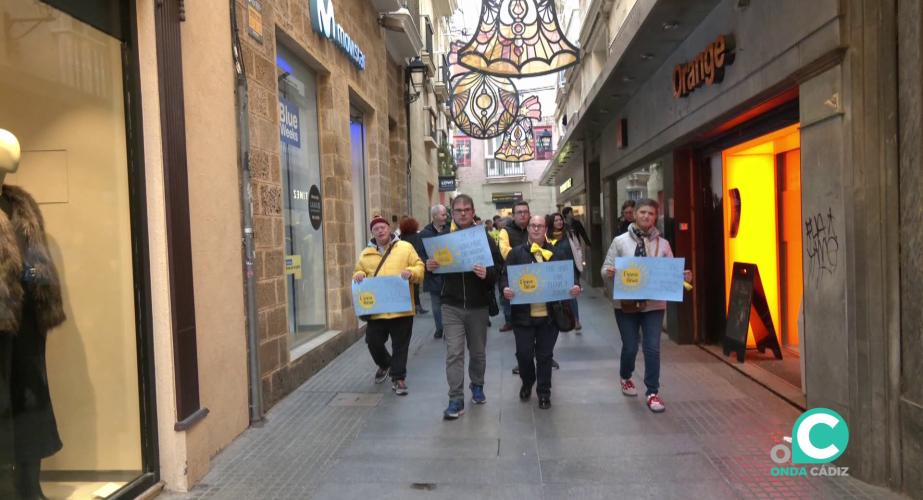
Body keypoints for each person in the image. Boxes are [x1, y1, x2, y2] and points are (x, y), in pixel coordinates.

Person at [601, 199, 692, 413]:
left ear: (655, 217)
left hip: (654, 304)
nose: (646, 216)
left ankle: (652, 392)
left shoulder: (664, 244)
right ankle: (626, 376)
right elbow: (605, 270)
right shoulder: (620, 241)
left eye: (651, 213)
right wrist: (610, 273)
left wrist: (683, 276)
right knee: (630, 346)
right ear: (634, 214)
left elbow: (670, 273)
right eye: (642, 212)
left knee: (652, 347)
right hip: (626, 304)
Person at [426, 194, 500, 420]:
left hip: (478, 305)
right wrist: (430, 267)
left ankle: (477, 385)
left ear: (473, 211)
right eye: (458, 210)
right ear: (452, 213)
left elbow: (498, 270)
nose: (463, 213)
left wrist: (487, 273)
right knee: (454, 353)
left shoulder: (484, 238)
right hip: (451, 305)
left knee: (477, 352)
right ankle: (455, 398)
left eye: (467, 209)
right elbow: (433, 273)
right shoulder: (443, 239)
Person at [503, 216, 582, 409]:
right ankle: (527, 381)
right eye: (533, 225)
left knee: (545, 356)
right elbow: (504, 277)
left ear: (546, 228)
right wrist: (505, 289)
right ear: (528, 228)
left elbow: (570, 277)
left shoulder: (557, 253)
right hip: (522, 316)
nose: (536, 229)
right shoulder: (515, 254)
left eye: (540, 226)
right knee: (524, 355)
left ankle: (544, 392)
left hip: (550, 316)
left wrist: (575, 287)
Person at [353, 215, 424, 396]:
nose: (380, 231)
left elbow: (419, 267)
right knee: (373, 341)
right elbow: (358, 271)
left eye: (383, 227)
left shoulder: (405, 247)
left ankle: (398, 378)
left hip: (401, 308)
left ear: (389, 229)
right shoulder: (365, 253)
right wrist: (359, 274)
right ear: (372, 233)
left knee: (400, 345)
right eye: (376, 229)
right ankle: (385, 364)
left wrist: (411, 272)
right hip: (377, 310)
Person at [498, 201, 531, 332]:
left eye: (525, 212)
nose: (523, 215)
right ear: (513, 215)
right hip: (511, 274)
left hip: (533, 272)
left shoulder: (534, 228)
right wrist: (528, 257)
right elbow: (505, 252)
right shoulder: (505, 231)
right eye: (519, 212)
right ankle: (509, 322)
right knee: (509, 300)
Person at [547, 212, 583, 331]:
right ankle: (562, 320)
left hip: (571, 268)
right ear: (551, 223)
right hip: (555, 271)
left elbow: (577, 247)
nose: (559, 222)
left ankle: (576, 320)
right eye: (556, 220)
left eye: (560, 220)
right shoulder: (547, 237)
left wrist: (579, 259)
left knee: (572, 294)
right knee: (559, 296)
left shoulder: (569, 233)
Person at [419, 205, 448, 338]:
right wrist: (426, 263)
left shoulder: (449, 230)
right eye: (443, 215)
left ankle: (449, 329)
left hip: (449, 275)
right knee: (436, 304)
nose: (445, 217)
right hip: (433, 275)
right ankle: (439, 328)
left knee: (449, 304)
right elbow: (419, 254)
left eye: (446, 214)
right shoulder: (424, 234)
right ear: (434, 216)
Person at [399, 217, 427, 314]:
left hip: (403, 265)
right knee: (415, 287)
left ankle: (409, 306)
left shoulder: (400, 238)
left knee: (405, 287)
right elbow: (420, 250)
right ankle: (417, 306)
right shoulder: (418, 237)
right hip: (414, 264)